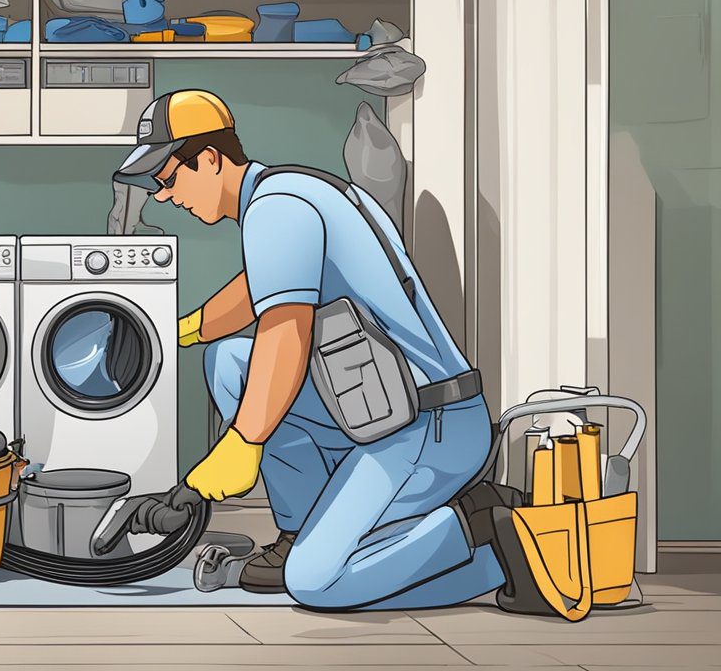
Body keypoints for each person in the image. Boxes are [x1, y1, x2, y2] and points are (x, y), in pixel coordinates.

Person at [113, 89, 520, 609]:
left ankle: (486, 532)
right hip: (381, 408)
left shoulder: (278, 209)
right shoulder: (285, 195)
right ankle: (300, 533)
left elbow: (285, 332)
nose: (165, 195)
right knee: (228, 360)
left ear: (210, 159)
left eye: (168, 178)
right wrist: (182, 331)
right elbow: (254, 291)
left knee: (317, 583)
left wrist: (243, 442)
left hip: (429, 426)